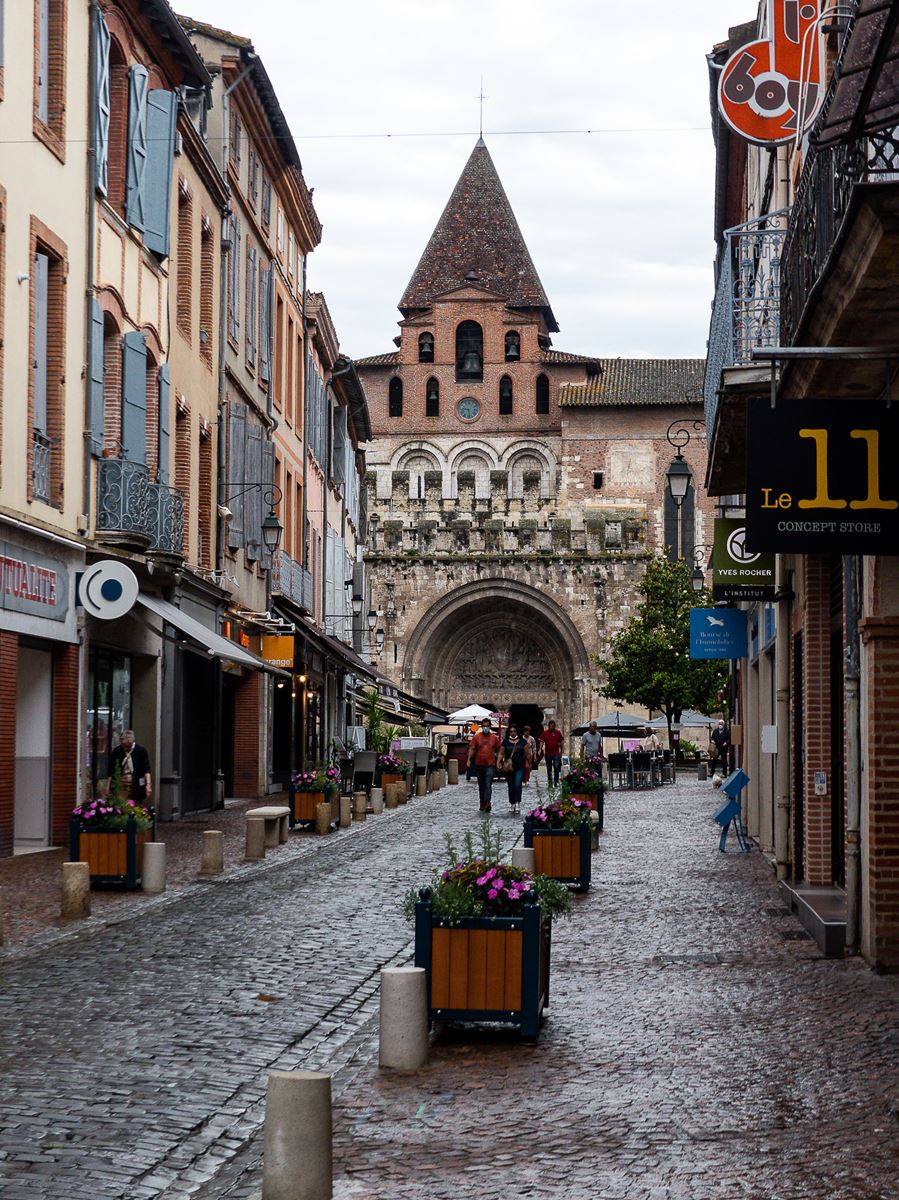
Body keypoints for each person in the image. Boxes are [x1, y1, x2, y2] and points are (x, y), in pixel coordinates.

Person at [466, 718, 501, 812]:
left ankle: (487, 802)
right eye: (484, 726)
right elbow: (472, 749)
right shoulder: (477, 737)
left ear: (489, 727)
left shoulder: (494, 738)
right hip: (479, 764)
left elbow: (499, 750)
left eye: (487, 726)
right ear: (482, 727)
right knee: (481, 785)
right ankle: (482, 802)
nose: (486, 728)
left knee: (488, 783)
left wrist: (498, 761)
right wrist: (469, 760)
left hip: (490, 764)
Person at [108, 730, 152, 803]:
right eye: (123, 745)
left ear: (131, 743)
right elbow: (111, 770)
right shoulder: (117, 751)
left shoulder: (141, 750)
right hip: (121, 784)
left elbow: (146, 769)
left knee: (137, 802)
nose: (124, 748)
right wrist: (108, 786)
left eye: (127, 746)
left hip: (136, 784)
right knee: (121, 803)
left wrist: (148, 785)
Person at [498, 724, 530, 815]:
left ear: (517, 732)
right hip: (509, 768)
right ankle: (512, 802)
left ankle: (517, 803)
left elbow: (527, 753)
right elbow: (501, 753)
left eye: (514, 731)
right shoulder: (505, 742)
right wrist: (498, 762)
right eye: (511, 731)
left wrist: (529, 763)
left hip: (520, 766)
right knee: (511, 786)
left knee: (517, 784)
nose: (512, 733)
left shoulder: (522, 742)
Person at [539, 719, 564, 786]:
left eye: (553, 726)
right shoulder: (545, 733)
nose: (551, 727)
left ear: (554, 726)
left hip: (556, 753)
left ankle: (556, 781)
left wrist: (561, 751)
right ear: (548, 726)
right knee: (549, 768)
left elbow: (561, 742)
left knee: (556, 766)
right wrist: (540, 749)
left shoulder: (558, 732)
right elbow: (541, 741)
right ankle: (550, 781)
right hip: (548, 753)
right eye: (550, 726)